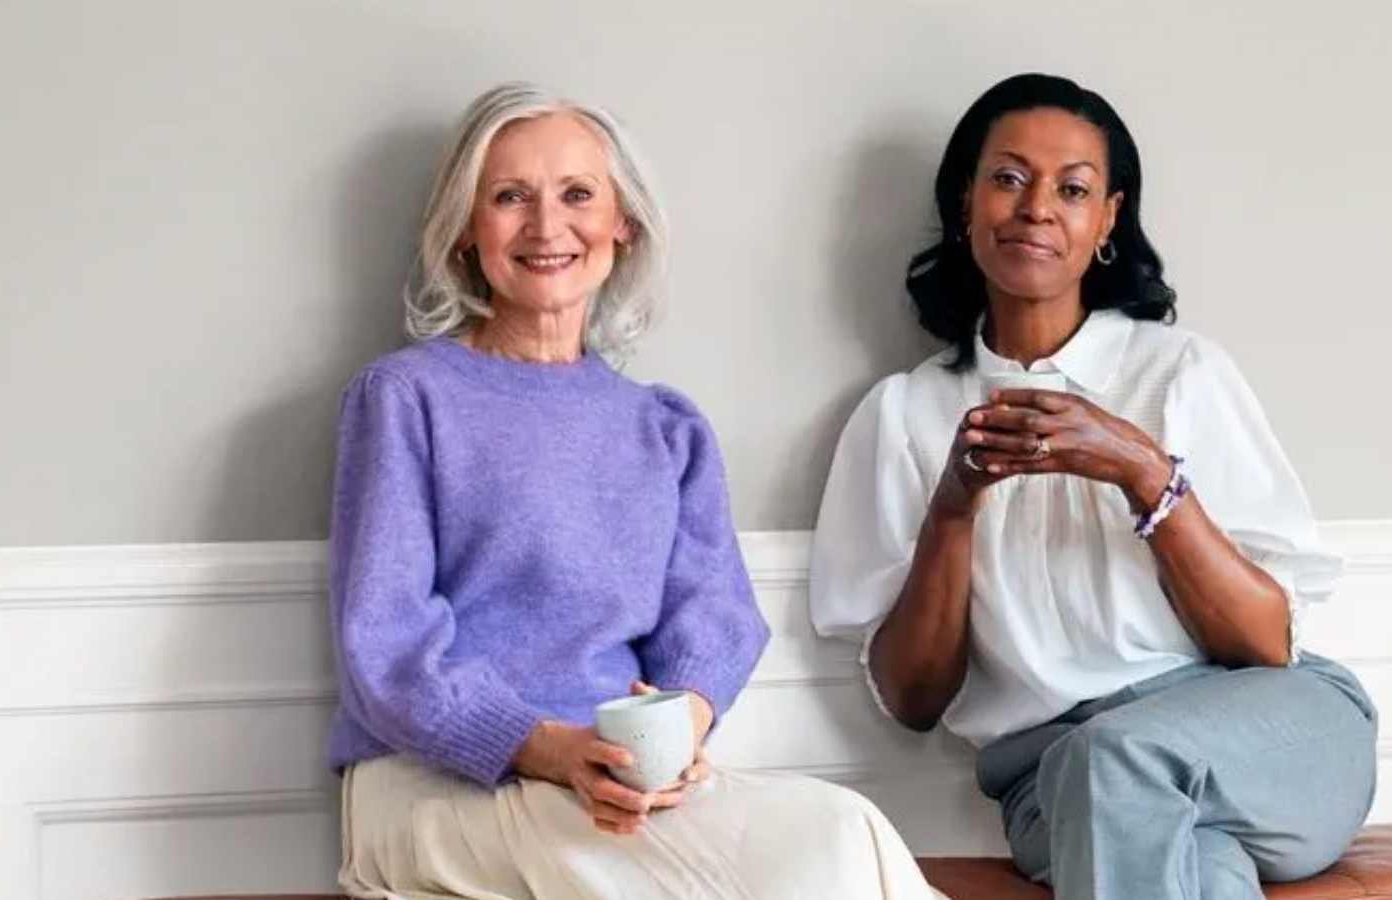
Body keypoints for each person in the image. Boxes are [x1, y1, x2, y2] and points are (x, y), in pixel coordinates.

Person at [329, 82, 940, 900]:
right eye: (510, 197)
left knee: (843, 831)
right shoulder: (404, 398)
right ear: (468, 231)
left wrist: (680, 729)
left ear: (624, 223)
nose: (548, 226)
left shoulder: (665, 426)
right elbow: (388, 649)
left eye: (578, 194)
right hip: (437, 786)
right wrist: (548, 750)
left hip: (617, 782)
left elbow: (713, 618)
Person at [810, 73, 1378, 900]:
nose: (1037, 207)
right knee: (1193, 867)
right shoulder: (905, 414)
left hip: (1271, 735)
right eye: (1007, 178)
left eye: (1072, 189)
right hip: (1053, 780)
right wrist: (953, 507)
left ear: (1107, 219)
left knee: (1114, 760)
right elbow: (913, 699)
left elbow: (1265, 642)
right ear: (965, 201)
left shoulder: (1180, 373)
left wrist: (1141, 470)